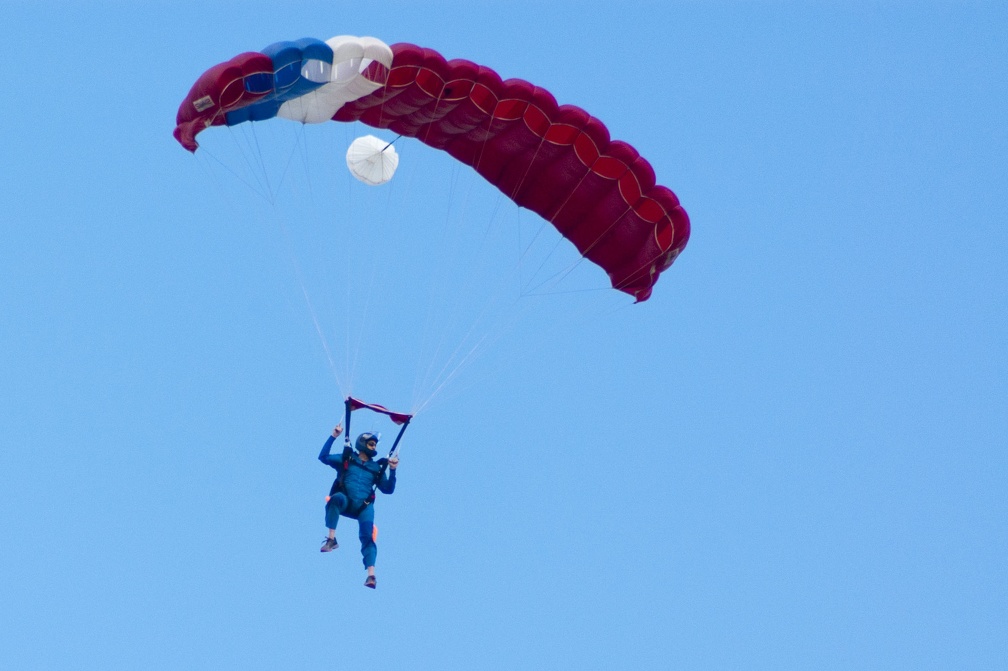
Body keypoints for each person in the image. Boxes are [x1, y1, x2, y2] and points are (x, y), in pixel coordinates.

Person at [318, 423, 399, 588]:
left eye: (375, 444)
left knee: (367, 536)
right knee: (335, 499)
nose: (374, 446)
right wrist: (333, 436)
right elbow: (323, 457)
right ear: (362, 444)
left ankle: (371, 575)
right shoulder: (348, 458)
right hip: (346, 500)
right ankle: (331, 539)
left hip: (364, 507)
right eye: (371, 444)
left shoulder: (376, 468)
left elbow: (388, 489)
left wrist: (392, 470)